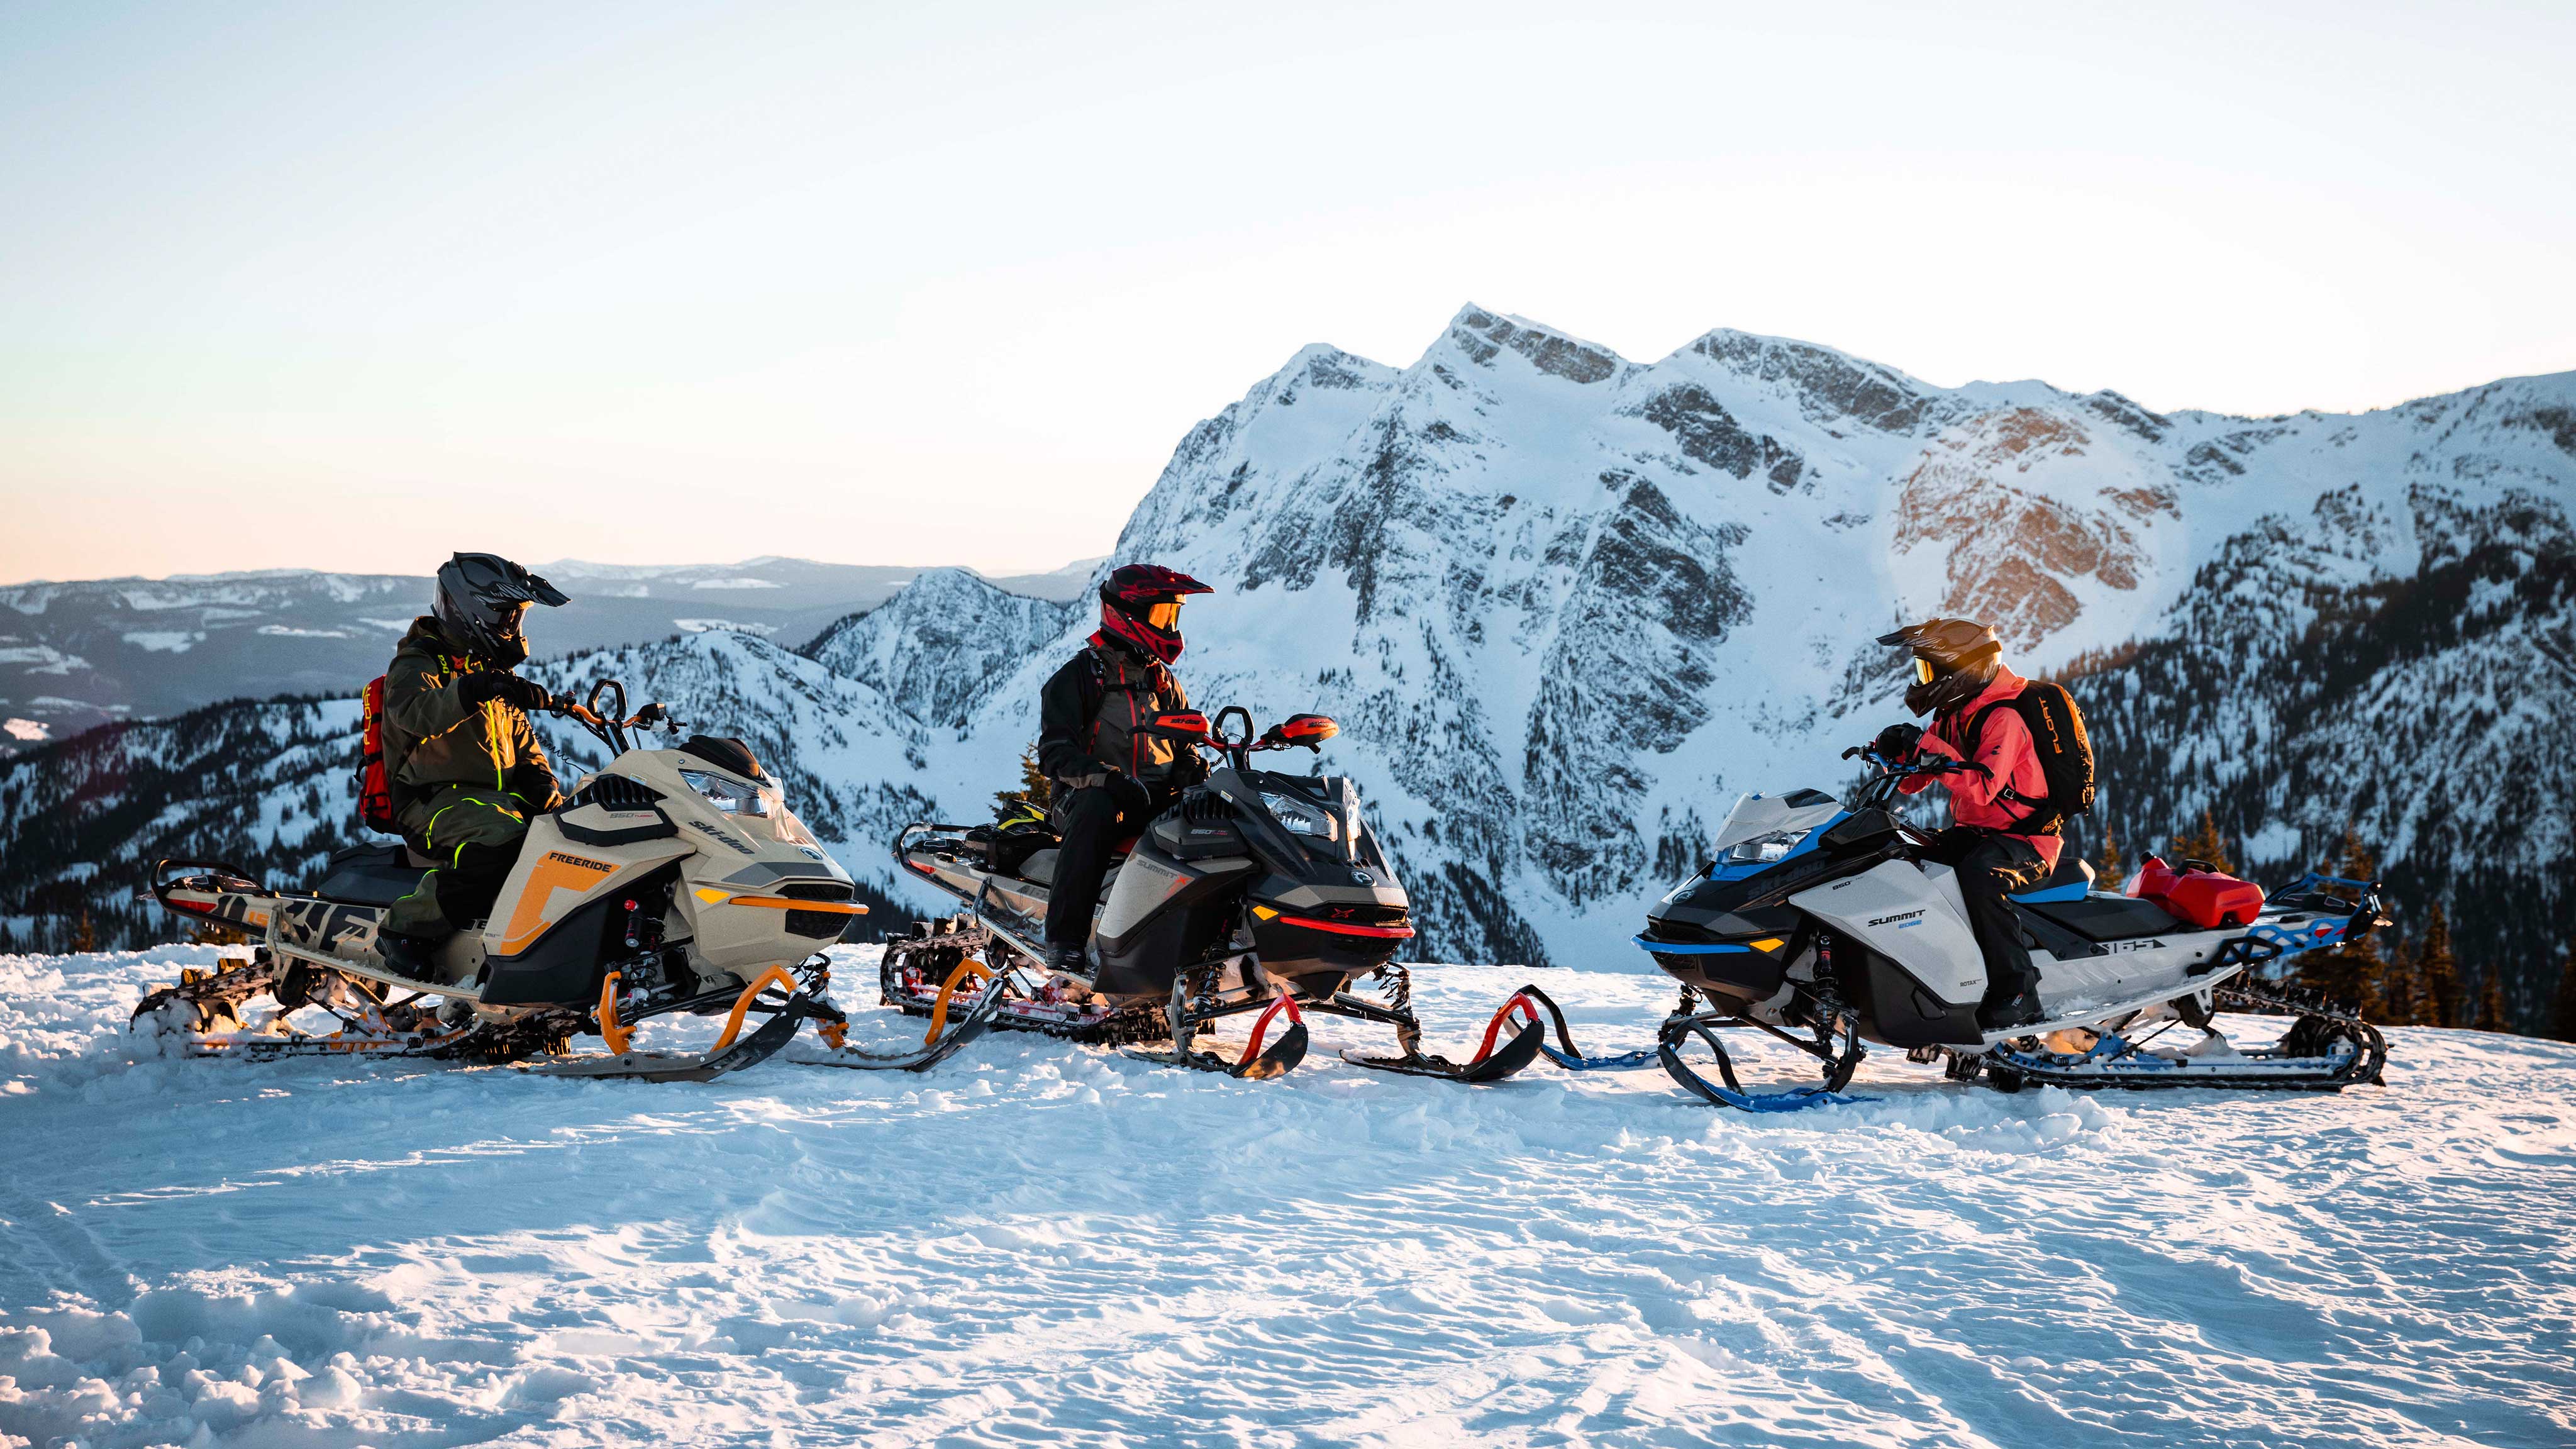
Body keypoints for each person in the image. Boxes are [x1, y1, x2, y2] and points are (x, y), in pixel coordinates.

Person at [374, 553, 571, 979]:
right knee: (502, 843)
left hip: (491, 798)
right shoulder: (419, 662)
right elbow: (414, 712)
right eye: (505, 615)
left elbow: (520, 741)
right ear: (472, 610)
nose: (511, 626)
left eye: (515, 617)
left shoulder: (486, 667)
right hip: (431, 800)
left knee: (573, 838)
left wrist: (541, 784)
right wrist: (474, 689)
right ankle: (405, 929)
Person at [1872, 618, 2059, 1031]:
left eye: (1928, 670)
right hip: (1976, 834)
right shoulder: (1956, 714)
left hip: (2026, 841)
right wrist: (1892, 752)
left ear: (1962, 670)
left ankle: (2018, 993)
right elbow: (1918, 779)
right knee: (1906, 859)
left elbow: (1982, 787)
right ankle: (1936, 978)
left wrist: (1925, 747)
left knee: (1980, 876)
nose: (1923, 680)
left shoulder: (2004, 717)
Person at [1032, 564, 1214, 975]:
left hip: (1150, 799)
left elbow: (1183, 745)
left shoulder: (1163, 682)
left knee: (1214, 818)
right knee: (1099, 809)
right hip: (1084, 798)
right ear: (1127, 614)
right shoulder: (1080, 676)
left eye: (1173, 615)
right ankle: (1064, 940)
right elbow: (1055, 753)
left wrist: (1192, 773)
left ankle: (1210, 940)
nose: (1169, 625)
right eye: (1161, 615)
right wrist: (1108, 779)